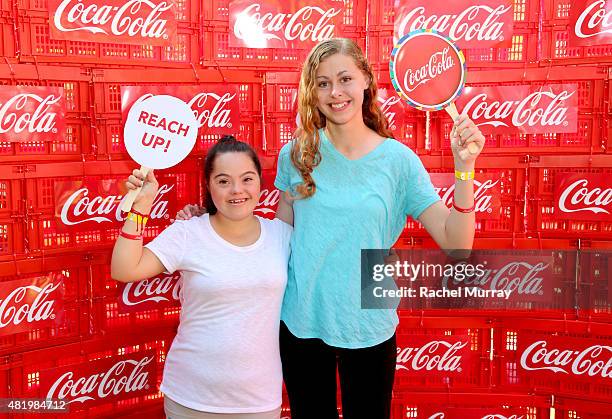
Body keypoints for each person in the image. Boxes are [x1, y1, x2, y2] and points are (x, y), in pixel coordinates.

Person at [177, 38, 485, 419]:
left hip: (368, 322)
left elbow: (457, 244)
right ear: (313, 92)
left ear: (366, 81)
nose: (335, 93)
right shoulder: (298, 153)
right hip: (301, 320)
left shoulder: (399, 161)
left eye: (344, 79)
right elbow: (278, 237)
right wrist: (209, 229)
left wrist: (464, 168)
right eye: (323, 83)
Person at [111, 136, 292, 419]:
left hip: (257, 400)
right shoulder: (189, 233)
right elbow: (124, 268)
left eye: (247, 179)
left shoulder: (281, 234)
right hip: (190, 397)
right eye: (223, 181)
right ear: (208, 186)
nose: (237, 190)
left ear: (260, 183)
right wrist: (141, 206)